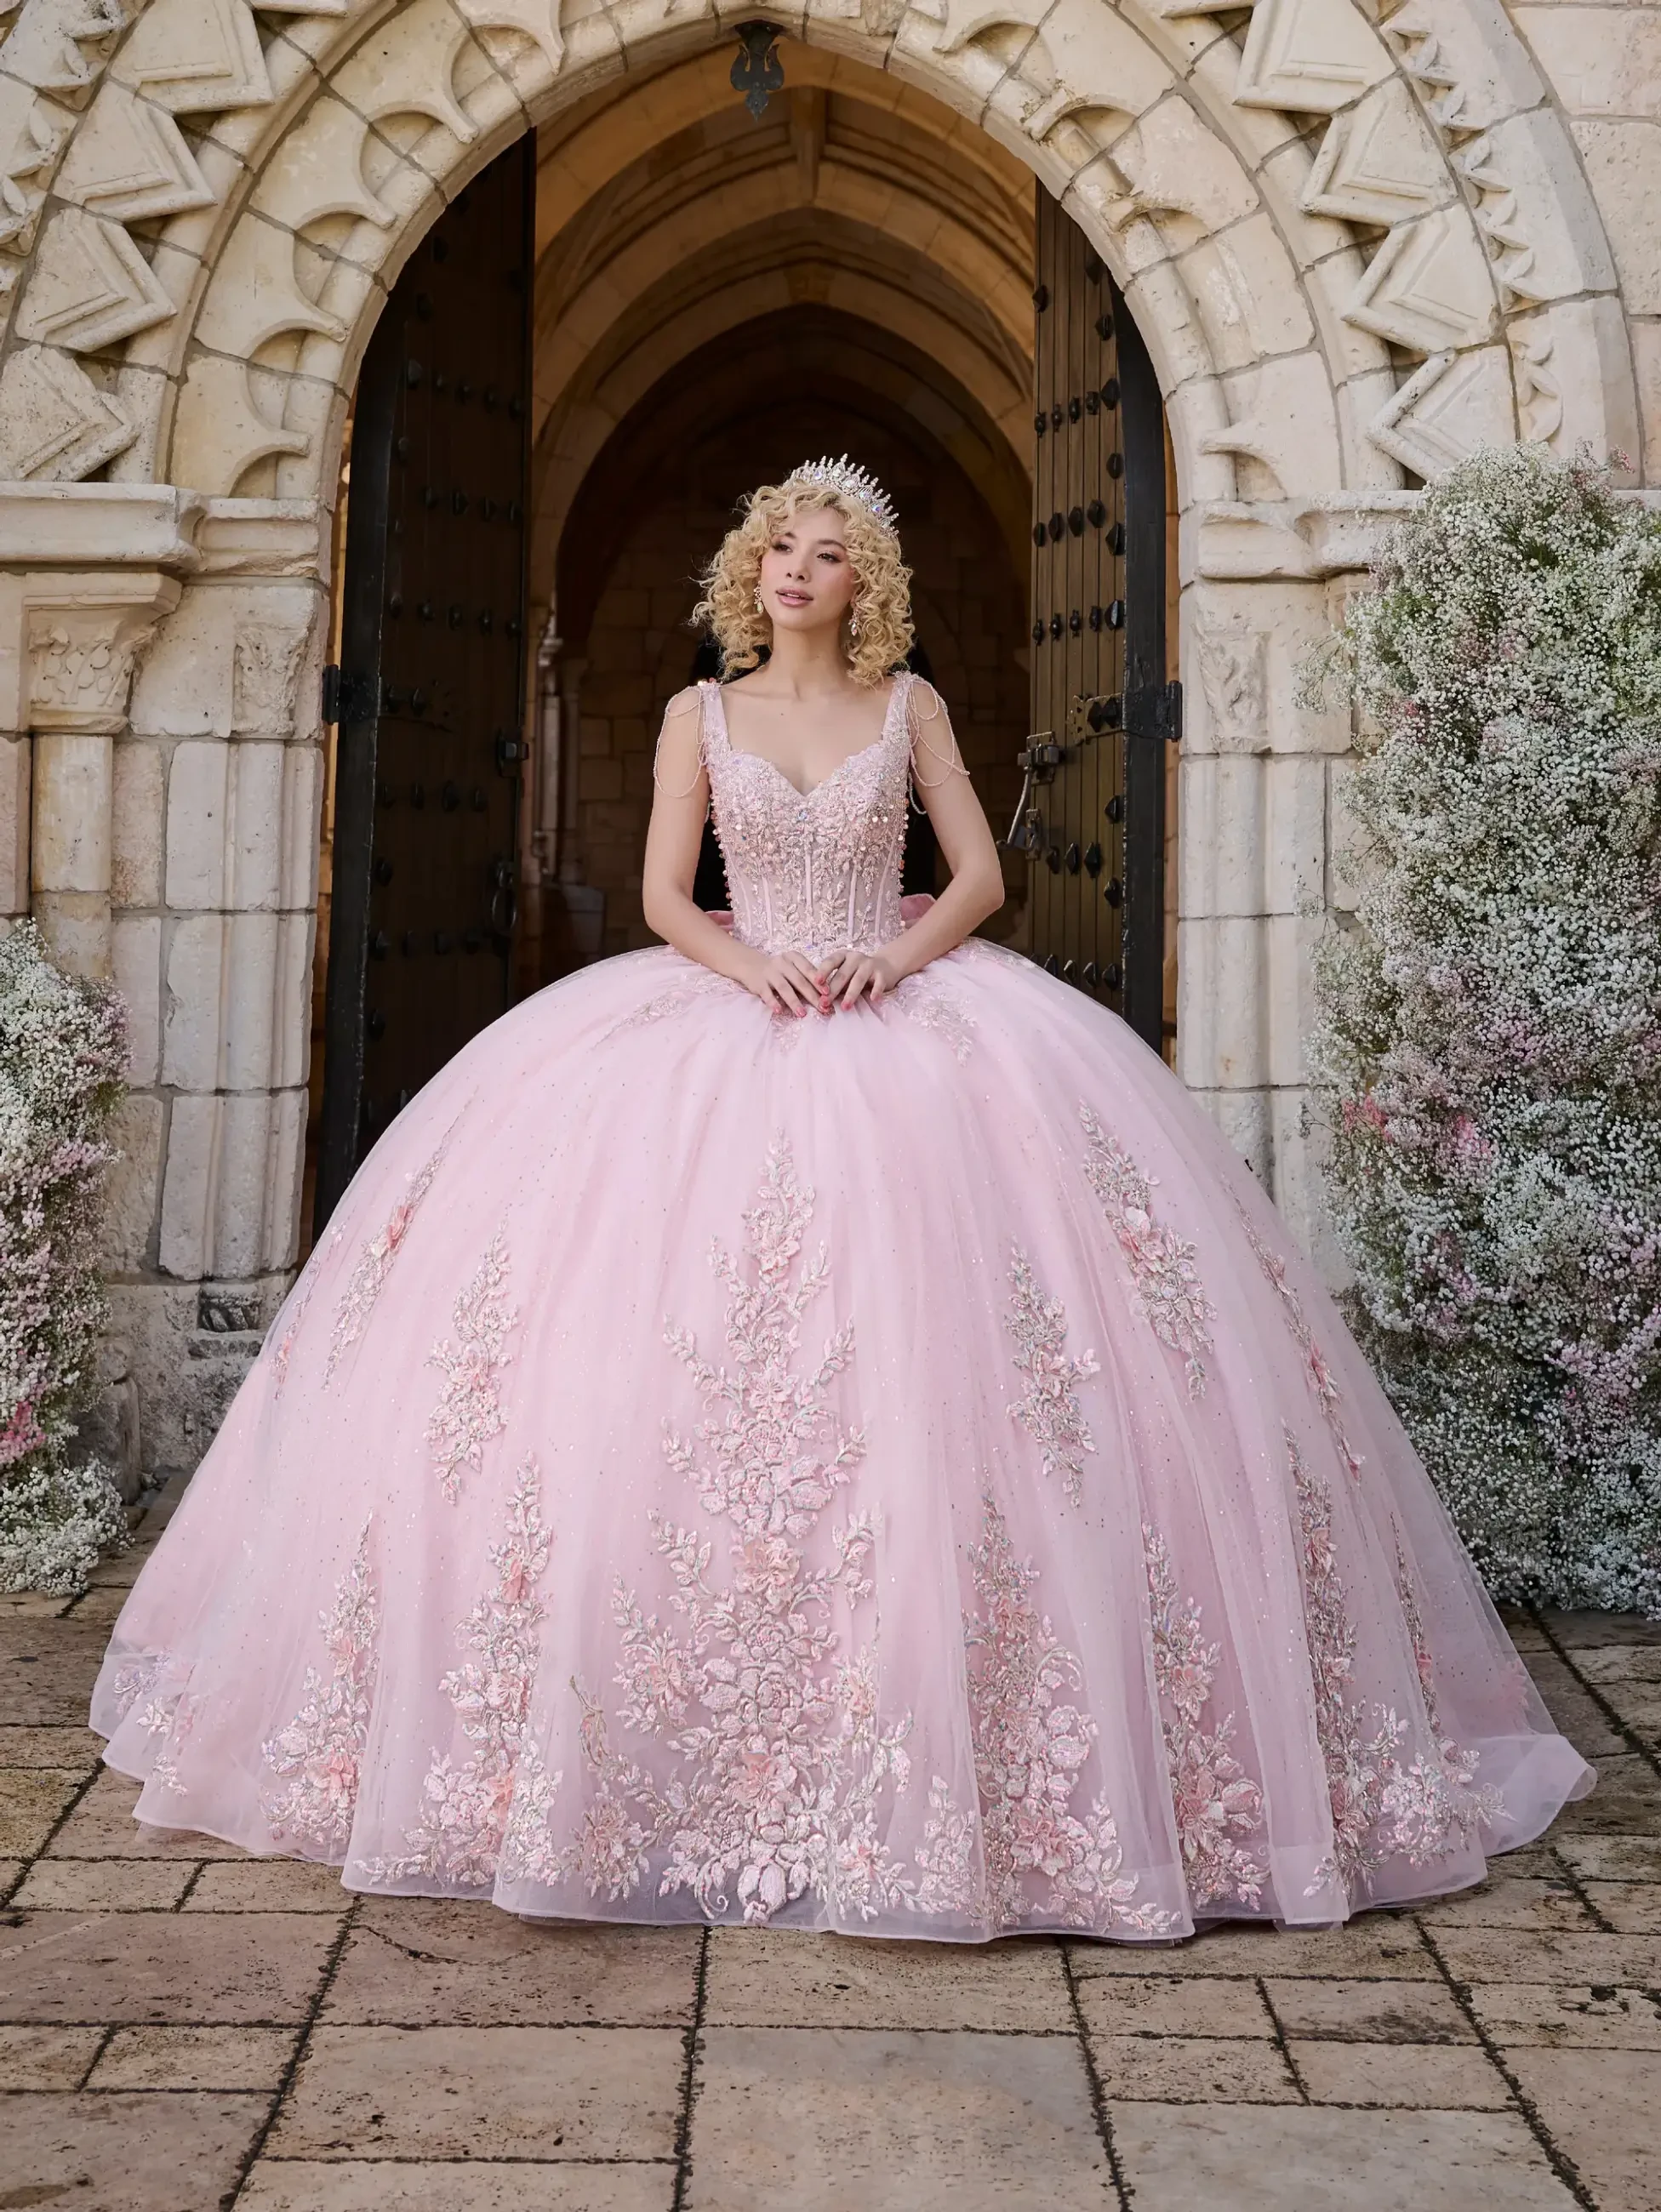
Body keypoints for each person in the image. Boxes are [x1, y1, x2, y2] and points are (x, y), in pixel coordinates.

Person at [91, 459, 1591, 1940]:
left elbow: (982, 878)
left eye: (824, 553)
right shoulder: (697, 714)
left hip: (901, 1004)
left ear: (864, 582)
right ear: (749, 570)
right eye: (778, 549)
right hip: (732, 1009)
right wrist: (755, 967)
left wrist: (892, 954)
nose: (795, 571)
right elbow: (667, 894)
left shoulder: (909, 706)